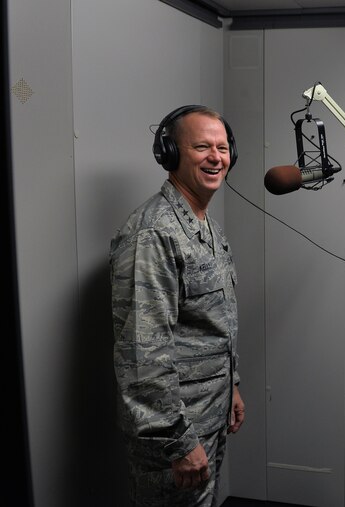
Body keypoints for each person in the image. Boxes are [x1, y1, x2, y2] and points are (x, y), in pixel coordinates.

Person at [110, 105, 244, 506]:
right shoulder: (154, 234)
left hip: (209, 417)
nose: (216, 157)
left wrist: (232, 385)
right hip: (176, 437)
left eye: (222, 147)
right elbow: (142, 354)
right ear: (170, 154)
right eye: (202, 146)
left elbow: (209, 325)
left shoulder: (206, 227)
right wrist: (178, 441)